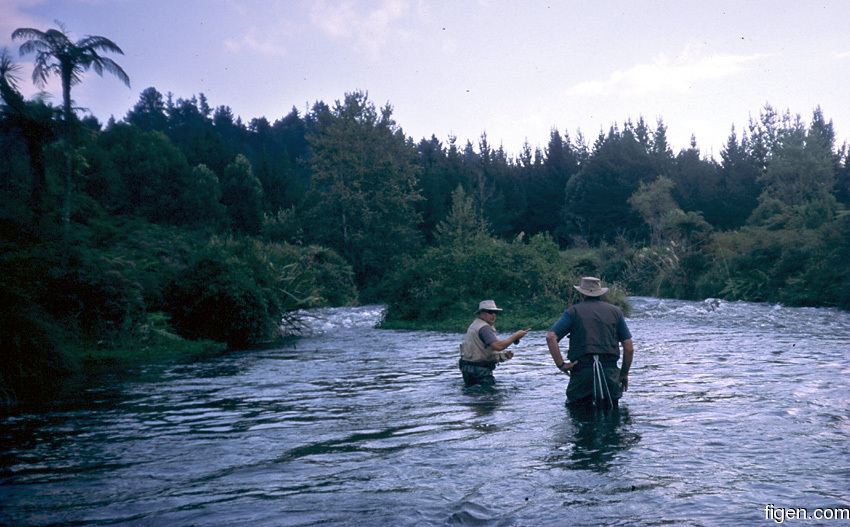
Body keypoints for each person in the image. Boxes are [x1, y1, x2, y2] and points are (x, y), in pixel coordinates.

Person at [545, 277, 634, 408]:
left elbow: (551, 336)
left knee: (577, 413)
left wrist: (561, 364)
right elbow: (629, 348)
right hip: (609, 372)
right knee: (612, 414)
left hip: (582, 372)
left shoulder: (572, 311)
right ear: (601, 293)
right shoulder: (616, 312)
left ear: (581, 293)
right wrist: (624, 374)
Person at [458, 300, 528, 386]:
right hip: (480, 372)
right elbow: (498, 346)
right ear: (482, 313)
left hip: (468, 370)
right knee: (490, 398)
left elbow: (480, 350)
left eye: (495, 312)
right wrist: (515, 336)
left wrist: (504, 355)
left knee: (474, 397)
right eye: (490, 312)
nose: (494, 315)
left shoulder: (475, 325)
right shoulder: (484, 328)